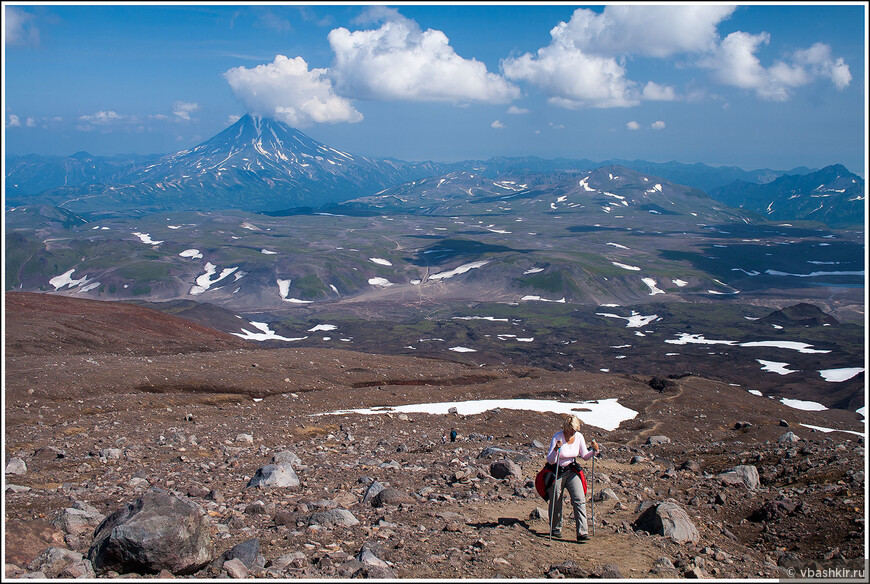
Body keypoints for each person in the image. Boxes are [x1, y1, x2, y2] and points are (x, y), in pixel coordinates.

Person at [545, 414, 599, 542]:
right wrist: (556, 449)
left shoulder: (579, 437)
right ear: (566, 427)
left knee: (579, 498)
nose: (573, 432)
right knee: (556, 499)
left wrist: (594, 451)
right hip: (557, 471)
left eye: (575, 430)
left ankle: (582, 532)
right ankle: (555, 528)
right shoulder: (557, 437)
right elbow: (550, 460)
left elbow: (584, 456)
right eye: (571, 429)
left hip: (571, 470)